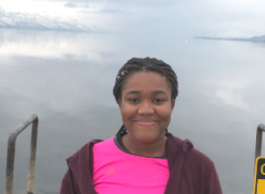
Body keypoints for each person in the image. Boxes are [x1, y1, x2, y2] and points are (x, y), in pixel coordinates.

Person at [60, 57, 222, 194]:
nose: (146, 110)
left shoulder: (199, 167)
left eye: (158, 100)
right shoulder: (86, 162)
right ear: (120, 104)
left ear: (172, 105)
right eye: (134, 100)